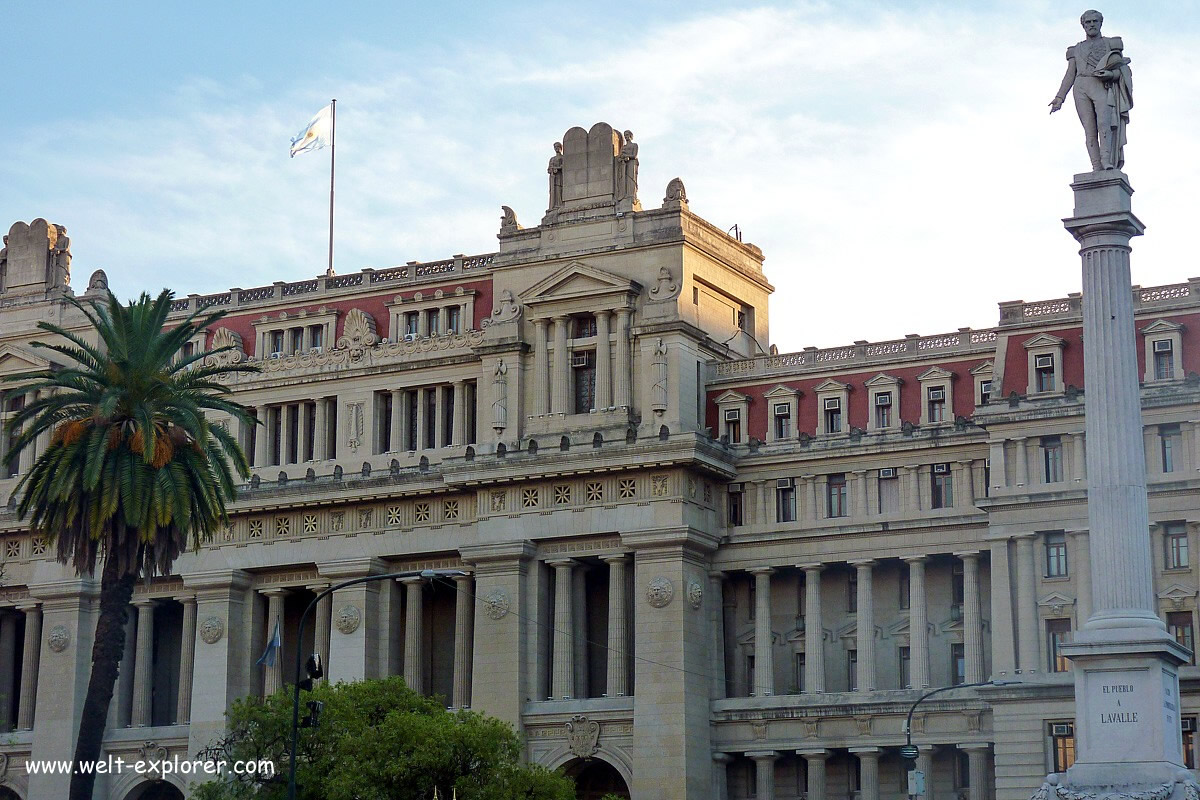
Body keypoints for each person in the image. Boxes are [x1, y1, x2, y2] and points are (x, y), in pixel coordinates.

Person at [1049, 9, 1133, 171]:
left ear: (1101, 23)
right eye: (1088, 22)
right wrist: (1060, 97)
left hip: (1101, 84)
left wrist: (1110, 74)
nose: (1091, 25)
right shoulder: (1076, 49)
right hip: (1081, 86)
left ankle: (1107, 161)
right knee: (1089, 129)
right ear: (1083, 25)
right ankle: (1096, 166)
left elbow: (1123, 71)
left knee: (1104, 124)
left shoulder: (1111, 43)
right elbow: (1070, 74)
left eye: (1095, 21)